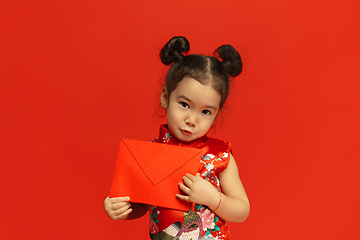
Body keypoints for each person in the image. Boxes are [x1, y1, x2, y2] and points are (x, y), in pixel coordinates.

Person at [104, 36, 250, 240]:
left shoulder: (219, 155)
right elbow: (142, 206)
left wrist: (212, 198)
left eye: (206, 112)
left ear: (217, 113)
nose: (192, 120)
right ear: (166, 97)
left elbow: (242, 209)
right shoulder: (151, 153)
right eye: (184, 104)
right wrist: (120, 207)